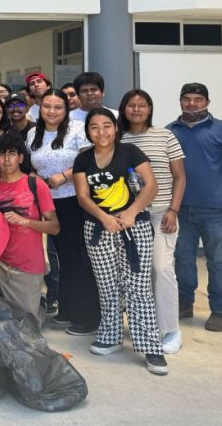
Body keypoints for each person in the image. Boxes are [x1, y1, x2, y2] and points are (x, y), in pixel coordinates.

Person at [73, 108, 167, 375]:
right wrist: (104, 218)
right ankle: (111, 335)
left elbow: (150, 186)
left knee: (138, 286)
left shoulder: (131, 153)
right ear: (88, 131)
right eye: (94, 127)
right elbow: (83, 196)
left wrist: (130, 213)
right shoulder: (83, 159)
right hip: (98, 228)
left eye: (106, 126)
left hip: (133, 227)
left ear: (116, 128)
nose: (101, 132)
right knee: (106, 284)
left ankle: (150, 345)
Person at [27, 89, 98, 334]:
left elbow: (89, 159)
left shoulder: (77, 129)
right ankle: (66, 311)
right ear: (40, 107)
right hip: (47, 204)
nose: (52, 111)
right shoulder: (32, 134)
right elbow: (32, 165)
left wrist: (64, 177)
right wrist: (36, 179)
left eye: (58, 107)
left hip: (74, 201)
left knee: (78, 258)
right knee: (61, 260)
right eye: (47, 106)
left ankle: (87, 318)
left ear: (66, 109)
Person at [120, 89, 186, 352]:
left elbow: (180, 177)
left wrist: (174, 210)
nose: (136, 109)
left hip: (161, 214)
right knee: (137, 275)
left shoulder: (165, 136)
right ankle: (145, 324)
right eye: (131, 105)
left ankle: (171, 329)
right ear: (124, 109)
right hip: (131, 217)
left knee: (162, 269)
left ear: (150, 109)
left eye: (142, 105)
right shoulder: (118, 138)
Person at [0, 133, 59, 324]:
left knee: (27, 328)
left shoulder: (36, 185)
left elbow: (55, 227)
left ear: (21, 157)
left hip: (27, 266)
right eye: (1, 154)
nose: (6, 159)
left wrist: (25, 222)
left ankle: (40, 302)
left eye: (12, 154)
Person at [167, 82, 222, 332]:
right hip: (180, 208)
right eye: (186, 99)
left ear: (207, 103)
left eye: (197, 99)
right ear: (180, 101)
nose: (192, 103)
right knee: (183, 259)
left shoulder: (219, 129)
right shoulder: (170, 131)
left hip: (215, 209)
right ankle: (184, 303)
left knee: (217, 261)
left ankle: (219, 310)